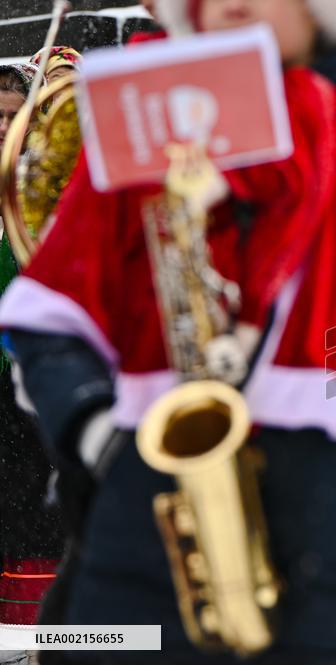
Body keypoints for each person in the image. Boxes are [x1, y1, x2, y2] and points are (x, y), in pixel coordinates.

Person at [0, 2, 336, 664]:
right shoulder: (137, 146)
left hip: (329, 543)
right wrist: (98, 437)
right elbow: (46, 322)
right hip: (144, 529)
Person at [0, 62, 64, 632]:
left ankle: (33, 626)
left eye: (10, 115)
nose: (0, 127)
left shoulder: (43, 187)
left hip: (25, 371)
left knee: (30, 503)